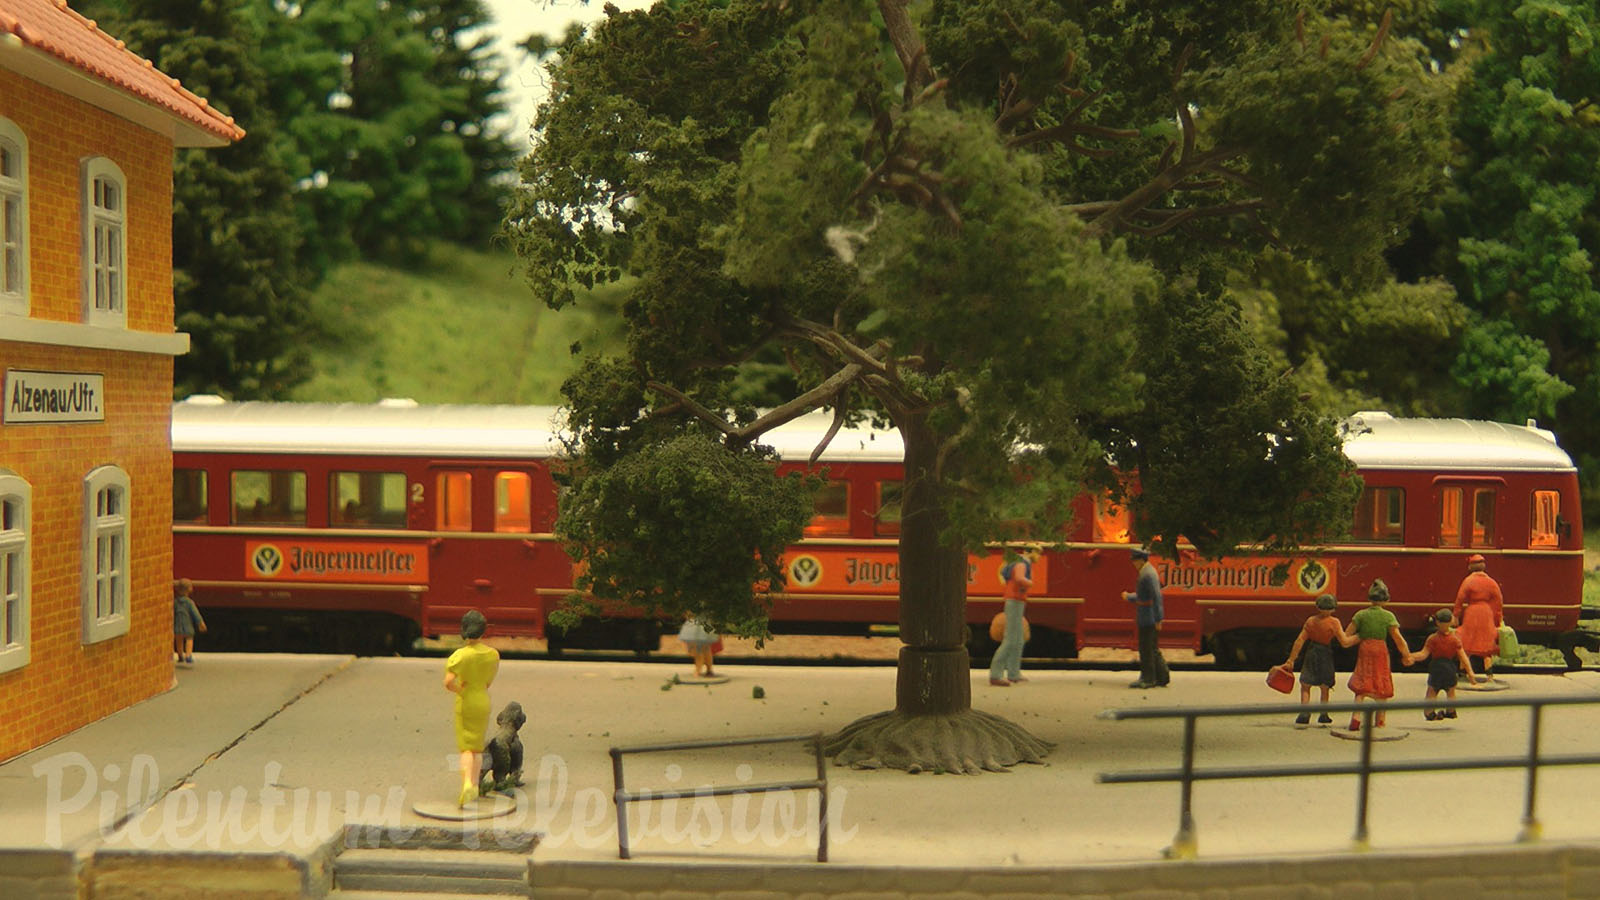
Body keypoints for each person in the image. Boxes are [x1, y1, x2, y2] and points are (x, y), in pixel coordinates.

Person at [444, 610, 500, 807]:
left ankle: (467, 784)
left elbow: (449, 683)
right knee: (477, 747)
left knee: (466, 748)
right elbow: (488, 682)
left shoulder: (459, 656)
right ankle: (475, 786)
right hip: (483, 700)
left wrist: (461, 690)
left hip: (467, 700)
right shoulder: (492, 655)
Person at [1341, 579, 1412, 730]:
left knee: (1362, 684)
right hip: (1380, 649)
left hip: (1365, 649)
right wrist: (1406, 655)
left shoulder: (1360, 615)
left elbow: (1346, 637)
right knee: (1381, 684)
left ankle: (1356, 717)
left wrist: (1361, 636)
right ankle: (1380, 721)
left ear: (1369, 598)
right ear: (1386, 599)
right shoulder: (1388, 616)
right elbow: (1398, 638)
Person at [1282, 593, 1341, 725]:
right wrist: (1358, 637)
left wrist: (1291, 659)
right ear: (1333, 608)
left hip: (1312, 652)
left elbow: (1300, 640)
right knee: (1325, 686)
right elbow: (1344, 640)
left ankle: (1304, 712)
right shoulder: (1334, 622)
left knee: (1305, 684)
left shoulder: (1311, 621)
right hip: (1325, 653)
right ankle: (1323, 713)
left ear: (1318, 606)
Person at [1413, 607, 1478, 720]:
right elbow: (1463, 657)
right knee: (1451, 691)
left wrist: (1411, 656)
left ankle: (1429, 712)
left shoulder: (1432, 639)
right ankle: (1451, 711)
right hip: (1450, 668)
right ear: (1451, 621)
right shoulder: (1455, 640)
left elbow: (1423, 654)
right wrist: (1470, 673)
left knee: (1432, 691)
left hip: (1436, 668)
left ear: (1437, 622)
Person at [989, 544, 1040, 686]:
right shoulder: (1022, 563)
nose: (1039, 556)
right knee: (1011, 638)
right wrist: (1030, 582)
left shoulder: (1022, 562)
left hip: (1017, 601)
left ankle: (1013, 672)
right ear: (1030, 552)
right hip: (1014, 601)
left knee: (1018, 639)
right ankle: (996, 674)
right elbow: (1019, 578)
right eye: (1038, 552)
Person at [1451, 553, 1504, 681]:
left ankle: (1463, 672)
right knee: (1486, 643)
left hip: (1472, 612)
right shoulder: (1491, 582)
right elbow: (1499, 601)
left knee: (1467, 641)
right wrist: (1498, 618)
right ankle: (1489, 675)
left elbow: (1460, 599)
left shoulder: (1468, 581)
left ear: (1470, 567)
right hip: (1486, 613)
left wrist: (1455, 616)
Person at [1122, 548, 1169, 689]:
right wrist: (1130, 596)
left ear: (1141, 560)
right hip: (1148, 615)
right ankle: (1162, 677)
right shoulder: (1148, 572)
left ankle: (1148, 679)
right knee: (1152, 648)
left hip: (1148, 617)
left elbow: (1156, 596)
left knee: (1146, 649)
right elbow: (1145, 596)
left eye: (1134, 561)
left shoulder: (1147, 574)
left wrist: (1158, 618)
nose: (1133, 563)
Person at [172, 578, 206, 664]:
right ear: (189, 590)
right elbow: (195, 614)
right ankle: (188, 655)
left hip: (177, 624)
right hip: (187, 625)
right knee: (189, 639)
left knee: (178, 639)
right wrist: (200, 623)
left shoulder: (175, 602)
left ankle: (180, 656)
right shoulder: (189, 603)